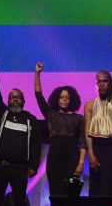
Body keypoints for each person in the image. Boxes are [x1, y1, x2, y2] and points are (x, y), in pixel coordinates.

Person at [0, 61, 42, 206]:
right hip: (0, 166)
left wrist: (33, 165)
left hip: (20, 168)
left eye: (18, 98)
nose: (15, 100)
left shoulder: (30, 119)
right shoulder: (2, 113)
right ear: (8, 100)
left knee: (20, 202)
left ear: (23, 101)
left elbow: (36, 144)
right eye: (12, 98)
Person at [33, 62, 86, 197]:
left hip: (72, 160)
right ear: (57, 99)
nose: (64, 100)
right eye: (62, 97)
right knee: (56, 196)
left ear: (72, 100)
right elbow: (38, 95)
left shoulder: (79, 118)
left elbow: (84, 143)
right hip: (54, 161)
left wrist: (80, 164)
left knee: (72, 198)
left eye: (67, 98)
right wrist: (37, 73)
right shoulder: (51, 115)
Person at [84, 36, 112, 197]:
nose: (102, 84)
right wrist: (91, 154)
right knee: (97, 190)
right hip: (98, 148)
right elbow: (87, 132)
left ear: (110, 83)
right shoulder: (90, 105)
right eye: (99, 81)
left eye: (105, 81)